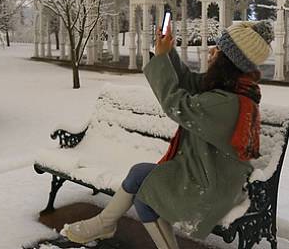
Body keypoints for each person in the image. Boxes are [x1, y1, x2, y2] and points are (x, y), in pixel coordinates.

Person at [63, 20, 273, 249]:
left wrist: (162, 58)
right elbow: (189, 81)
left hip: (210, 188)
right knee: (139, 174)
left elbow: (177, 104)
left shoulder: (226, 103)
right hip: (207, 174)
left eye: (219, 49)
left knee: (145, 195)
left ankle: (105, 225)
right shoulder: (232, 87)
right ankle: (104, 224)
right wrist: (168, 51)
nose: (212, 51)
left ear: (230, 62)